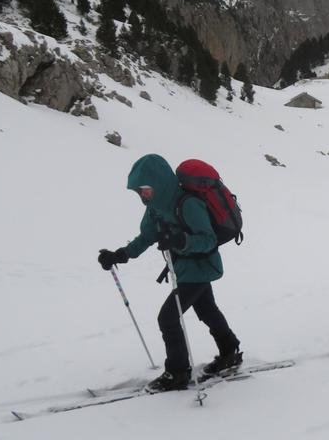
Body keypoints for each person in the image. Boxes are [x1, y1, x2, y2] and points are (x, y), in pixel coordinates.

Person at [97, 154, 242, 391]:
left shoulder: (188, 204)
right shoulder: (156, 208)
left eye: (145, 189)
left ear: (159, 183)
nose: (142, 195)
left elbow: (208, 239)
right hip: (185, 268)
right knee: (206, 309)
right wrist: (120, 255)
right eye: (139, 191)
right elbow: (147, 237)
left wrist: (180, 239)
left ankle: (178, 372)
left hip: (201, 267)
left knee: (168, 318)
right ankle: (230, 351)